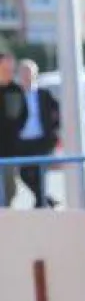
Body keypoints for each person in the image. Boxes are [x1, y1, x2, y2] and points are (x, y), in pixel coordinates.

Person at [13, 59, 60, 207]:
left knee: (40, 173)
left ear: (35, 74)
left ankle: (41, 203)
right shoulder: (14, 94)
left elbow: (57, 113)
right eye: (23, 72)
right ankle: (44, 199)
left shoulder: (44, 94)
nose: (26, 76)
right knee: (24, 174)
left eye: (29, 72)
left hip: (41, 140)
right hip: (22, 141)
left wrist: (53, 131)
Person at [0, 50, 24, 207]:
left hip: (9, 149)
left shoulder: (16, 89)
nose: (9, 69)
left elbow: (22, 116)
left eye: (11, 66)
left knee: (10, 189)